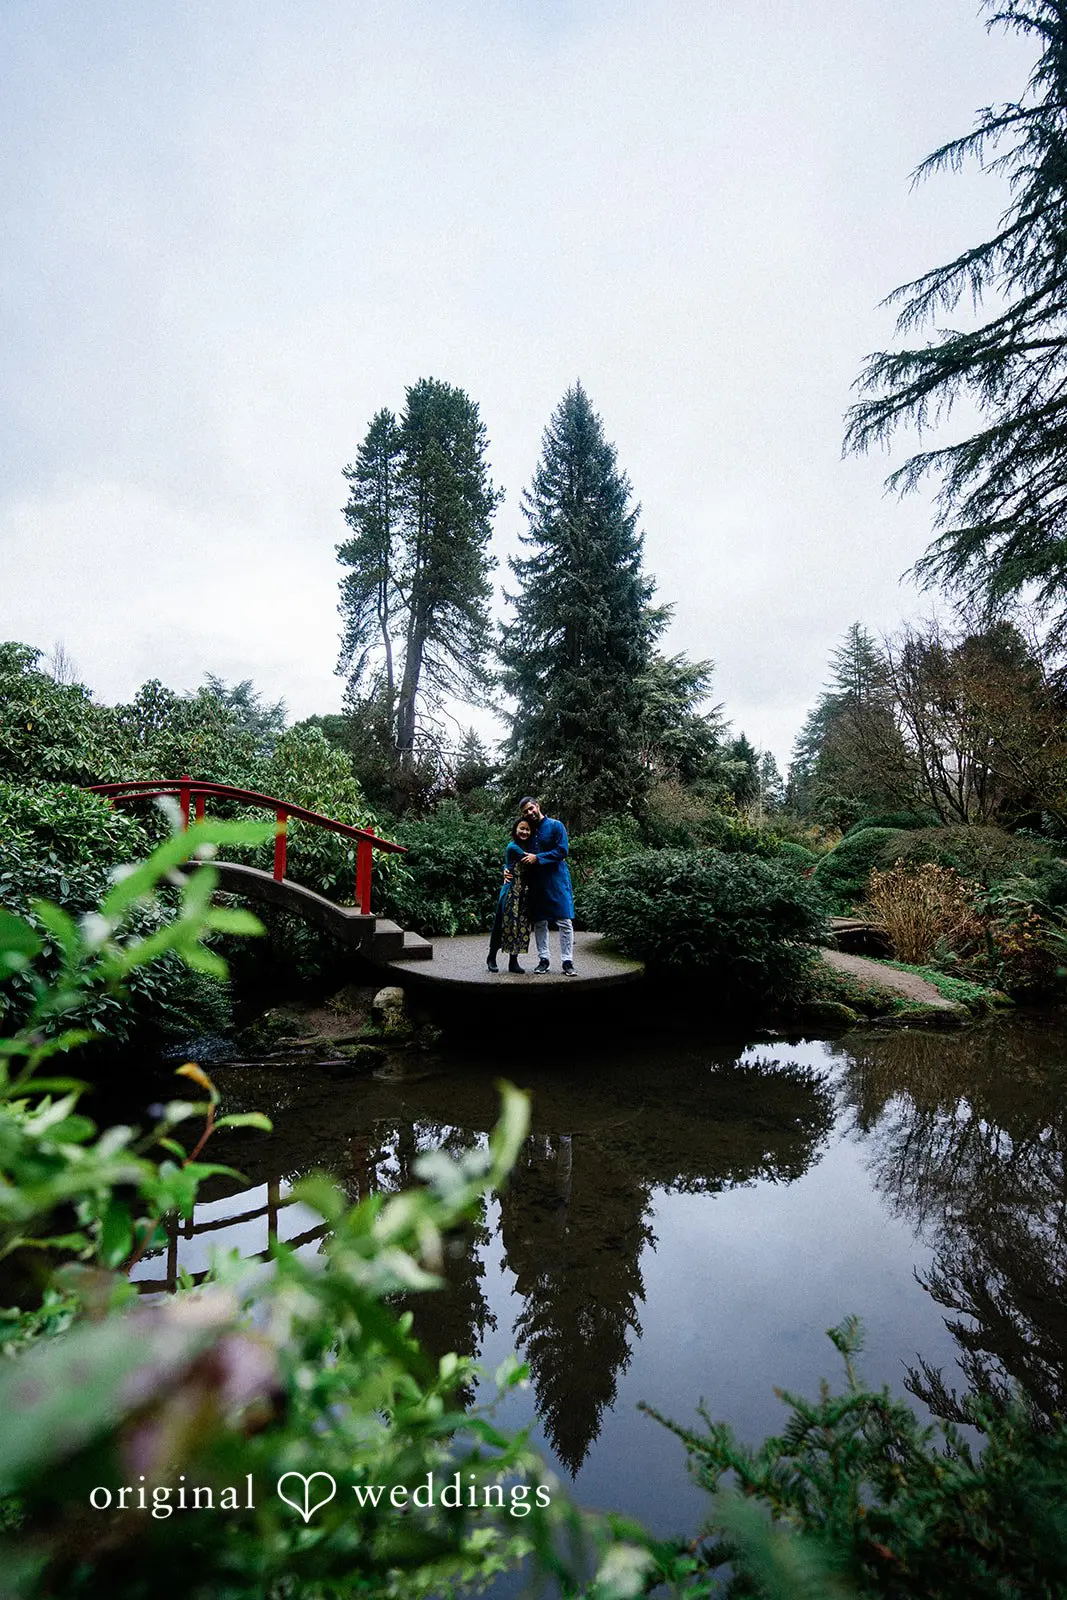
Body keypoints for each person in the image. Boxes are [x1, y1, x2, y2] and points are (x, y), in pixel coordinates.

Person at [515, 796, 576, 975]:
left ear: (537, 806)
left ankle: (567, 961)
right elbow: (516, 849)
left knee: (564, 920)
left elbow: (563, 850)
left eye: (530, 808)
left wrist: (538, 858)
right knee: (540, 922)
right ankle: (544, 959)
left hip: (557, 880)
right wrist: (508, 868)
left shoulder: (556, 826)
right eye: (525, 811)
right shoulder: (528, 830)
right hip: (537, 882)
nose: (529, 813)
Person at [486, 817, 534, 973]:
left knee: (520, 927)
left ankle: (513, 961)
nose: (524, 832)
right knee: (502, 924)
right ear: (515, 830)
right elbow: (529, 860)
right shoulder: (513, 847)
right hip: (510, 892)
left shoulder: (529, 846)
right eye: (522, 828)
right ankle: (491, 957)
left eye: (527, 829)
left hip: (523, 893)